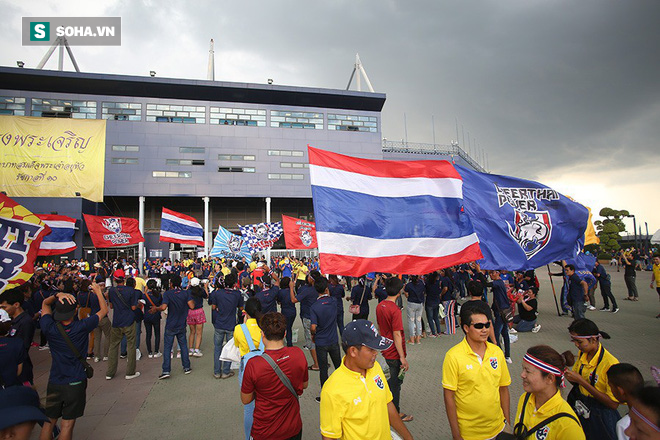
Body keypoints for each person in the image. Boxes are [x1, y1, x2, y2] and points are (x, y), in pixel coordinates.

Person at [319, 319, 413, 440]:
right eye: (371, 349)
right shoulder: (332, 390)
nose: (376, 354)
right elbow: (329, 436)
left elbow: (388, 405)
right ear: (353, 351)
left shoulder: (375, 368)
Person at [38, 282, 107, 440]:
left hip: (55, 380)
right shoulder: (81, 327)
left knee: (49, 421)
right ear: (75, 310)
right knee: (67, 425)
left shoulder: (49, 327)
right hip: (75, 381)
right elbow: (103, 310)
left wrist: (56, 295)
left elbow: (45, 304)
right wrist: (97, 291)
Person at [442, 300, 511, 440]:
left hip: (498, 429)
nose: (484, 330)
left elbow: (503, 389)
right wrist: (456, 434)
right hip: (469, 433)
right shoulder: (453, 356)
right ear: (466, 328)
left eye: (487, 325)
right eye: (479, 326)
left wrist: (507, 423)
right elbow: (449, 397)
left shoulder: (497, 353)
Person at [241, 312, 308, 440]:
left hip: (265, 430)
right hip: (293, 427)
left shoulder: (254, 364)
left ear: (262, 334)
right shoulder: (298, 354)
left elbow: (246, 399)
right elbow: (304, 385)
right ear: (284, 334)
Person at [514, 345, 585, 439]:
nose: (522, 375)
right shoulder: (525, 399)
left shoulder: (568, 425)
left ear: (550, 378)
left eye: (528, 371)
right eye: (523, 369)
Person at [565, 318, 620, 439]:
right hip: (582, 407)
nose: (576, 345)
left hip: (602, 416)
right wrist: (564, 371)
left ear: (594, 339)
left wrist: (581, 381)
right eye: (574, 341)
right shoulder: (583, 354)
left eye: (579, 342)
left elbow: (613, 404)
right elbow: (576, 382)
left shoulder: (610, 364)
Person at [376, 276, 413, 422]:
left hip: (385, 348)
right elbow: (397, 334)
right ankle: (395, 413)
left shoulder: (380, 306)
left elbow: (381, 327)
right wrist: (402, 357)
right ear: (399, 291)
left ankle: (387, 409)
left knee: (388, 381)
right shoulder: (395, 310)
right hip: (394, 352)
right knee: (395, 384)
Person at [151, 275, 192, 379]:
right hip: (181, 323)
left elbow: (164, 307)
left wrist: (156, 308)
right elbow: (191, 306)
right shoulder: (185, 293)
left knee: (168, 347)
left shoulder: (168, 294)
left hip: (171, 324)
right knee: (183, 345)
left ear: (171, 284)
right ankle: (186, 366)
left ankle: (166, 370)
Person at [234, 297, 264, 440]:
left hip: (246, 369)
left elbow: (236, 344)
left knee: (248, 407)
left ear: (245, 312)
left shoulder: (239, 329)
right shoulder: (265, 327)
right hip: (265, 368)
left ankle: (249, 437)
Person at [310, 276, 341, 402]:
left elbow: (313, 326)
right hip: (333, 340)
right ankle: (342, 391)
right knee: (339, 367)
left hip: (321, 341)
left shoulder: (314, 307)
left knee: (323, 369)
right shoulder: (333, 301)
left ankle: (325, 395)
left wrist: (313, 334)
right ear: (327, 289)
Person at [106, 270, 140, 380]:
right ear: (124, 279)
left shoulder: (112, 291)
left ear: (115, 280)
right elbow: (134, 307)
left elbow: (111, 306)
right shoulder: (131, 291)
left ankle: (110, 372)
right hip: (129, 320)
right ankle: (130, 372)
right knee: (131, 346)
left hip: (116, 321)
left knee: (113, 346)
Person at [209, 273, 243, 379]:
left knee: (217, 348)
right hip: (231, 324)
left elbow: (213, 306)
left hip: (219, 323)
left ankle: (216, 371)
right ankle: (226, 371)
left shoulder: (217, 293)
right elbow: (241, 308)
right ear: (234, 283)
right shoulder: (237, 294)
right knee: (229, 348)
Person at [0, 286, 35, 385]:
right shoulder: (9, 321)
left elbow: (24, 347)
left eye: (4, 307)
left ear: (16, 304)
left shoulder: (25, 322)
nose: (2, 310)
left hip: (21, 372)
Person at [289, 271, 319, 370]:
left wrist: (291, 288)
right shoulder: (320, 288)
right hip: (319, 316)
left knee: (311, 340)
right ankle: (321, 360)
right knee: (319, 338)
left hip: (308, 316)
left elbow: (294, 300)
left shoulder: (308, 290)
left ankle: (316, 364)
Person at [606, 363, 644, 440]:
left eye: (610, 386)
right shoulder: (654, 409)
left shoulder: (624, 425)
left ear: (620, 391)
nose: (611, 391)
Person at [489, 270, 512, 363]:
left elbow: (486, 284)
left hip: (501, 312)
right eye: (490, 273)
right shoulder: (499, 283)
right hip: (501, 311)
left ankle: (500, 354)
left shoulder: (498, 283)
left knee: (496, 334)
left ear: (498, 273)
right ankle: (507, 355)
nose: (491, 275)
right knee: (504, 332)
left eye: (493, 273)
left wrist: (479, 272)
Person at [187, 277, 208, 357]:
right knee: (199, 333)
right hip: (199, 311)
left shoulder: (188, 292)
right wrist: (205, 287)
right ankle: (197, 349)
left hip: (190, 312)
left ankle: (191, 349)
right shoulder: (200, 291)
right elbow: (206, 296)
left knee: (192, 332)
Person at [142, 279, 163, 358]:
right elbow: (161, 304)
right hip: (156, 315)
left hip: (147, 315)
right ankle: (157, 350)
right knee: (157, 333)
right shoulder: (159, 295)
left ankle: (149, 352)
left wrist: (145, 291)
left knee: (148, 334)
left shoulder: (144, 295)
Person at [404, 275, 425, 344]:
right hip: (420, 303)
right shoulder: (421, 283)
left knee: (411, 321)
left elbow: (406, 295)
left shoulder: (409, 285)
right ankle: (418, 339)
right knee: (418, 320)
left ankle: (412, 339)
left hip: (411, 303)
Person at [276, 277, 297, 347]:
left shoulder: (281, 292)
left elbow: (278, 301)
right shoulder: (291, 291)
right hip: (292, 310)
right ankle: (289, 341)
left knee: (286, 327)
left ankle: (287, 342)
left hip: (285, 310)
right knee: (289, 327)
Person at [424, 271, 442, 337]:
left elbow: (425, 291)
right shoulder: (438, 283)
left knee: (430, 318)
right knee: (436, 317)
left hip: (429, 301)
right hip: (436, 301)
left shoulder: (428, 283)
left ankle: (433, 332)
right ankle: (439, 331)